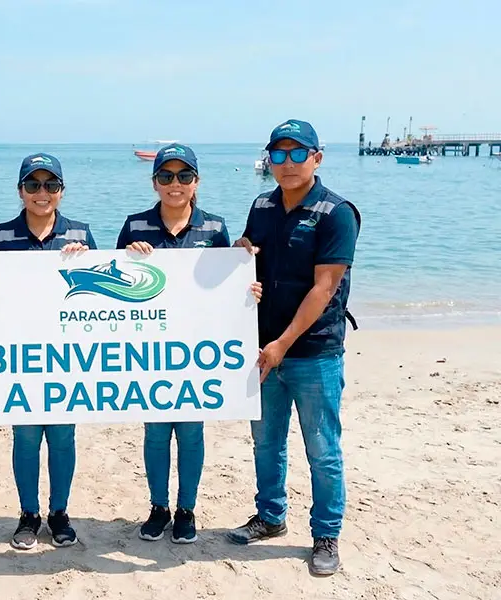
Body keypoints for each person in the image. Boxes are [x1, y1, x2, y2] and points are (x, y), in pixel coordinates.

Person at [226, 119, 361, 576]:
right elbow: (251, 263)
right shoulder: (262, 204)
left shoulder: (336, 212)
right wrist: (241, 252)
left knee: (322, 447)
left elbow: (324, 288)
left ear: (316, 158)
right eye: (278, 155)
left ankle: (326, 534)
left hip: (313, 351)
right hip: (262, 348)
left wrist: (283, 344)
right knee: (266, 442)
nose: (286, 163)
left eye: (297, 153)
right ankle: (270, 517)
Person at [116, 144, 261, 544]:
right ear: (154, 182)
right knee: (156, 431)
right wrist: (128, 256)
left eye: (183, 177)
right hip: (150, 349)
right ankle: (159, 507)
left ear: (196, 182)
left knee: (191, 431)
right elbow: (113, 287)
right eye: (166, 177)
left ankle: (186, 509)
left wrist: (247, 285)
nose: (174, 185)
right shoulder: (135, 226)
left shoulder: (214, 228)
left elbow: (224, 287)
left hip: (196, 350)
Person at [0, 153, 96, 550]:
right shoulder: (0, 236)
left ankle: (59, 514)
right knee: (25, 436)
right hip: (21, 354)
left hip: (68, 353)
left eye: (51, 186)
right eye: (34, 185)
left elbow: (98, 293)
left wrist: (87, 260)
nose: (43, 193)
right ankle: (27, 515)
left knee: (62, 436)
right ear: (20, 191)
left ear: (62, 191)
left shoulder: (81, 234)